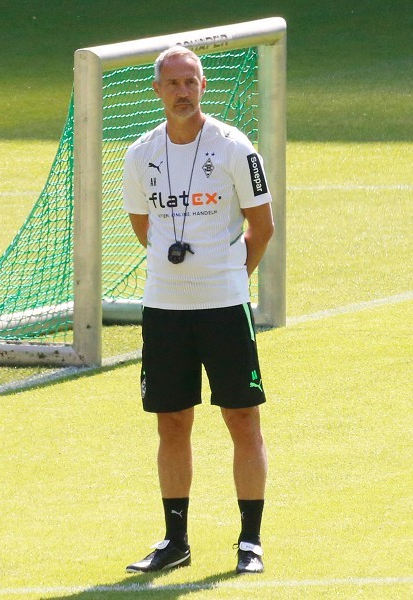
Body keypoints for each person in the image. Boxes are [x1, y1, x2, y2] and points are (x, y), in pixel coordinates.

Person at [122, 45, 274, 576]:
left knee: (242, 418)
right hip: (165, 307)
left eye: (191, 82)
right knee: (172, 422)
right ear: (157, 91)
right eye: (173, 84)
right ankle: (175, 541)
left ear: (202, 86)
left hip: (224, 306)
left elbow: (263, 225)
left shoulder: (234, 147)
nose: (183, 92)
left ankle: (250, 540)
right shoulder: (140, 154)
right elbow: (146, 230)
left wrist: (230, 274)